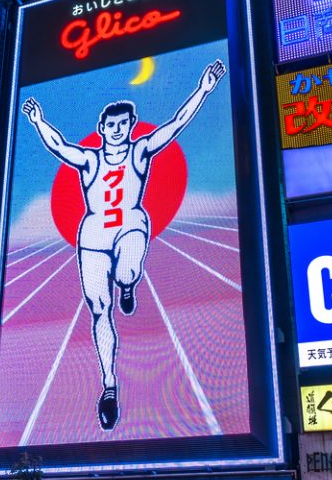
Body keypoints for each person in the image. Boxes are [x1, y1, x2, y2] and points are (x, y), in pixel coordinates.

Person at [19, 57, 225, 430]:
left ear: (130, 126)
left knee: (128, 268)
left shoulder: (140, 151)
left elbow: (176, 125)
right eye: (110, 124)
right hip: (94, 234)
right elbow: (58, 146)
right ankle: (109, 385)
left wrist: (204, 89)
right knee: (99, 308)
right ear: (101, 128)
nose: (117, 129)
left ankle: (128, 283)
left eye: (123, 124)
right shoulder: (89, 159)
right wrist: (37, 122)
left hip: (130, 222)